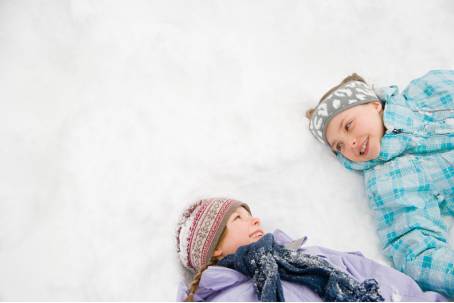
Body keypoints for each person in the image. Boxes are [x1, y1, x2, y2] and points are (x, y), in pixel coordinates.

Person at [306, 70, 454, 297]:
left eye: (348, 126)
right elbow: (414, 251)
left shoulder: (429, 89)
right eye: (339, 146)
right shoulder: (388, 181)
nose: (350, 143)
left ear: (374, 105)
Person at [175, 197, 445, 301]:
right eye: (238, 218)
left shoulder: (309, 256)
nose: (255, 220)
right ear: (214, 250)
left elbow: (395, 288)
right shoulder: (225, 297)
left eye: (250, 214)